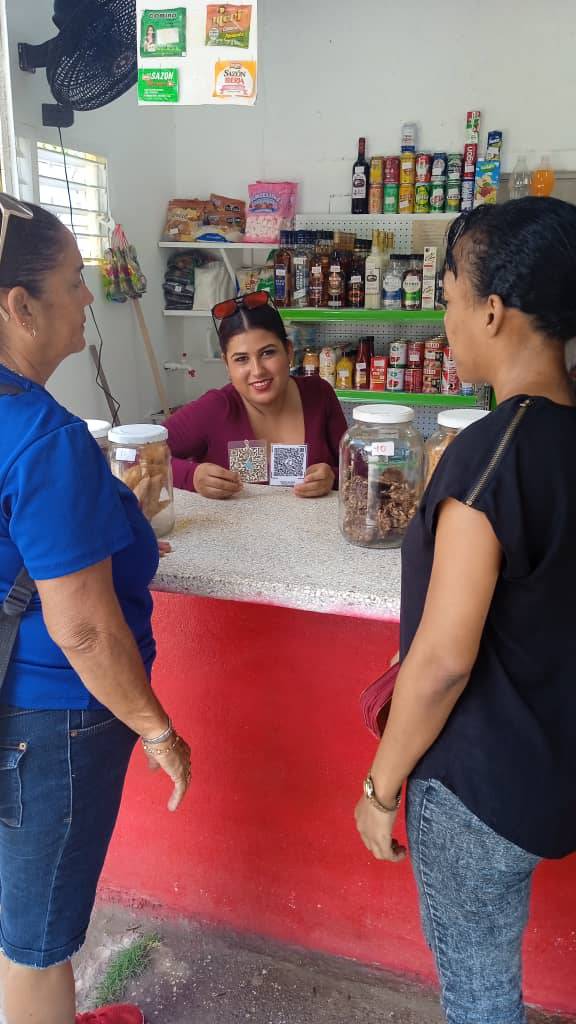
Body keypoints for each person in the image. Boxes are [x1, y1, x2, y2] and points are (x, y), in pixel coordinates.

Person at [354, 197, 576, 1024]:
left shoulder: (493, 453)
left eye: (448, 297)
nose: (444, 320)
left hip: (478, 789)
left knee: (480, 1000)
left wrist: (379, 791)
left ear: (492, 309)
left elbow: (443, 660)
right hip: (552, 769)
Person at [0, 194, 191, 1024]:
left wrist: (110, 515)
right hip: (51, 718)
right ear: (20, 306)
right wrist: (157, 728)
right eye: (75, 283)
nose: (89, 299)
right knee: (38, 941)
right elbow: (82, 624)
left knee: (20, 903)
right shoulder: (43, 435)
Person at [166, 293, 347, 499]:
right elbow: (135, 454)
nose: (257, 370)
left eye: (268, 353)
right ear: (227, 364)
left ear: (288, 351)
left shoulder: (319, 394)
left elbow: (357, 470)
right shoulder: (215, 407)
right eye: (241, 359)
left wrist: (332, 477)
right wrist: (192, 476)